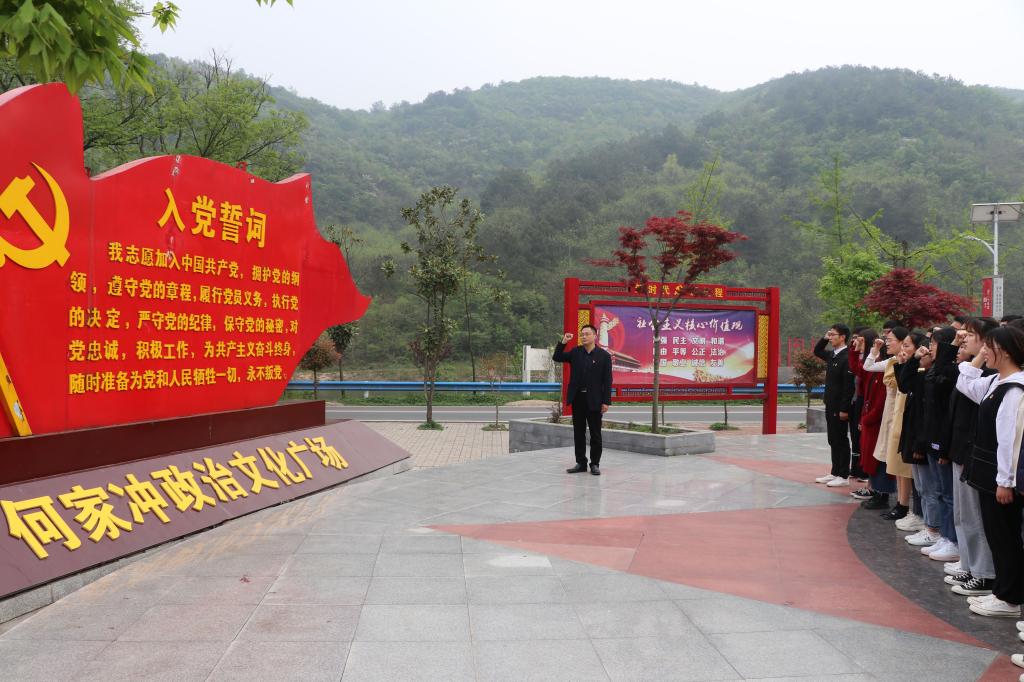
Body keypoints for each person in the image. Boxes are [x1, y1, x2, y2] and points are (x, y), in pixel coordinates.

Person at [956, 326, 1024, 618]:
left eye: (989, 346)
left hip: (1000, 477)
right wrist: (977, 359)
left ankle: (1010, 598)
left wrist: (1005, 481)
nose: (983, 351)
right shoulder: (997, 381)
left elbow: (1010, 439)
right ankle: (1002, 591)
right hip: (989, 473)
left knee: (1006, 537)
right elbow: (965, 382)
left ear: (1005, 352)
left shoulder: (1015, 388)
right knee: (997, 536)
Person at [553, 325, 612, 475]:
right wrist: (564, 342)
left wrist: (606, 401)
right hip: (578, 398)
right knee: (578, 432)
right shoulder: (576, 352)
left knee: (595, 434)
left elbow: (608, 380)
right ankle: (581, 463)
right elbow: (557, 357)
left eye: (587, 334)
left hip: (595, 400)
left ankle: (595, 464)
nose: (584, 337)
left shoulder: (604, 356)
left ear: (595, 336)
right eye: (582, 334)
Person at [814, 324, 856, 487]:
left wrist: (844, 409)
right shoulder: (833, 355)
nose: (830, 337)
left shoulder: (847, 357)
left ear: (843, 337)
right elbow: (817, 351)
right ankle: (835, 471)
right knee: (832, 439)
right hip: (830, 404)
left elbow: (848, 387)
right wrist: (824, 338)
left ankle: (843, 475)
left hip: (840, 407)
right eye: (829, 335)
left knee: (840, 439)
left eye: (833, 335)